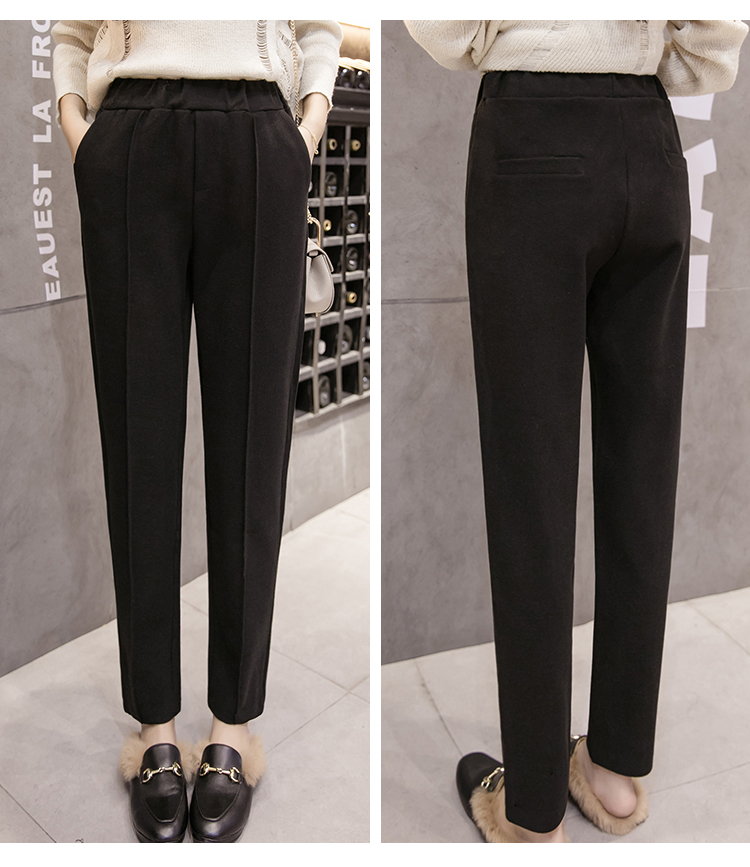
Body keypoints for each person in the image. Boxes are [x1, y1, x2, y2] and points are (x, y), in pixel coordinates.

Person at [403, 19, 748, 844]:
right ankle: (615, 773)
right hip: (650, 145)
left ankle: (531, 810)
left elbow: (447, 24)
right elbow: (713, 39)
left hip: (531, 139)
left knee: (531, 485)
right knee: (642, 471)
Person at [51, 19, 342, 844]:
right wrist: (78, 127)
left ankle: (233, 724)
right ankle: (154, 725)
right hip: (130, 132)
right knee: (137, 441)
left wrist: (309, 122)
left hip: (259, 132)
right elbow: (70, 27)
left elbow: (318, 22)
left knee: (253, 446)